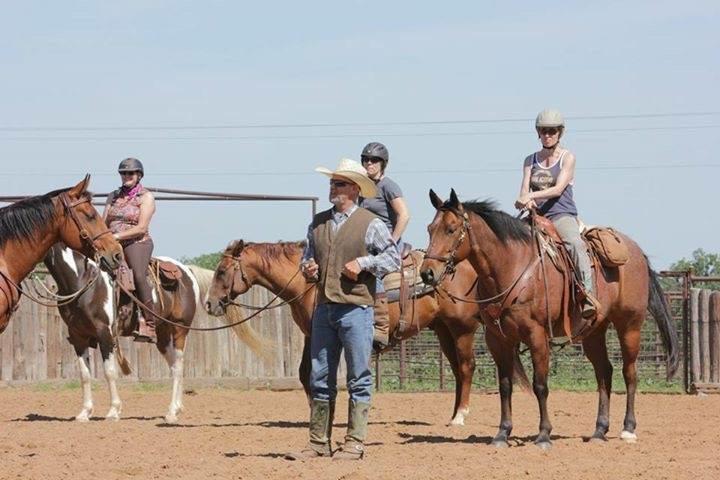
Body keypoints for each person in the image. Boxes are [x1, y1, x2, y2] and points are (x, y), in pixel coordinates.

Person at [286, 158, 400, 461]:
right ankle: (318, 442)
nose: (332, 188)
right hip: (324, 309)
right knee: (319, 376)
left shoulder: (371, 223)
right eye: (331, 183)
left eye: (338, 183)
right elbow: (308, 259)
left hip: (357, 310)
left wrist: (364, 263)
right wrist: (309, 267)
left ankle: (354, 443)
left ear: (354, 189)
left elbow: (392, 259)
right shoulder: (318, 223)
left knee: (358, 376)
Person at [514, 109, 600, 323]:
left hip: (561, 214)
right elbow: (524, 189)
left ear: (560, 132)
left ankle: (588, 294)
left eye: (552, 131)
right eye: (543, 131)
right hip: (535, 217)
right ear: (538, 133)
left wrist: (530, 195)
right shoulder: (529, 160)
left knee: (574, 244)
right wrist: (524, 200)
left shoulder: (567, 158)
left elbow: (558, 189)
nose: (547, 135)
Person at [358, 142, 410, 351]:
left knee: (373, 270)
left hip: (385, 244)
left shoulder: (388, 186)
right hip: (365, 242)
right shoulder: (361, 186)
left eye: (374, 160)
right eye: (366, 159)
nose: (369, 163)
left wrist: (392, 240)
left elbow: (404, 215)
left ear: (383, 163)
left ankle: (380, 326)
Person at [103, 157, 158, 343]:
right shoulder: (113, 196)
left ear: (139, 175)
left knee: (138, 276)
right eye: (123, 173)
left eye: (130, 173)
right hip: (112, 243)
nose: (126, 176)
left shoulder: (146, 197)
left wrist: (117, 236)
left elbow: (141, 228)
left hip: (137, 242)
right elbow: (103, 222)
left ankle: (149, 323)